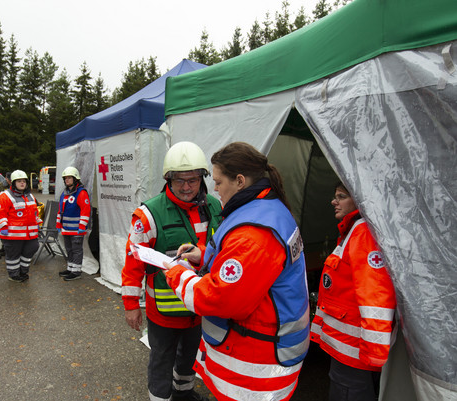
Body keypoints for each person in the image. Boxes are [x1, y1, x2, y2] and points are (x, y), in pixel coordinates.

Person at [162, 142, 310, 401]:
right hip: (258, 356)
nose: (215, 189)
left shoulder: (255, 233)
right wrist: (202, 256)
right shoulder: (265, 209)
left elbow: (219, 298)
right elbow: (237, 258)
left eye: (218, 182)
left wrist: (176, 271)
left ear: (240, 181)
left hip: (255, 370)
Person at [121, 141, 222, 401]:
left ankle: (184, 392)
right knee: (161, 360)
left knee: (190, 355)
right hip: (164, 313)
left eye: (193, 180)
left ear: (202, 179)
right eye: (180, 181)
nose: (187, 187)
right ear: (168, 179)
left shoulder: (214, 207)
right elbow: (133, 264)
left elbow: (219, 247)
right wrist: (131, 304)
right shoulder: (149, 214)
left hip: (200, 308)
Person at [310, 182, 397, 401]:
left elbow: (374, 294)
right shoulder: (352, 231)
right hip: (347, 349)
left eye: (341, 196)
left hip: (354, 354)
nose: (333, 201)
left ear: (359, 200)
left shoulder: (364, 233)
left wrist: (374, 355)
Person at [0, 170, 42, 283]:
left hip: (30, 234)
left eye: (24, 181)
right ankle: (14, 275)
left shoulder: (30, 196)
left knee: (32, 247)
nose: (22, 183)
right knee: (13, 255)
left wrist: (37, 223)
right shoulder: (5, 196)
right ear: (13, 183)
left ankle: (23, 271)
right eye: (19, 181)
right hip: (12, 234)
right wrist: (3, 227)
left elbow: (35, 212)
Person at [57, 166, 91, 281]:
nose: (67, 180)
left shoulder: (81, 193)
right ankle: (70, 268)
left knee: (76, 250)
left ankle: (76, 272)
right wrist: (58, 225)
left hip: (77, 229)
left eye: (69, 178)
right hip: (66, 229)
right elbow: (60, 210)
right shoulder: (65, 193)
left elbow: (86, 210)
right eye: (65, 178)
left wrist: (82, 226)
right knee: (69, 249)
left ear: (75, 179)